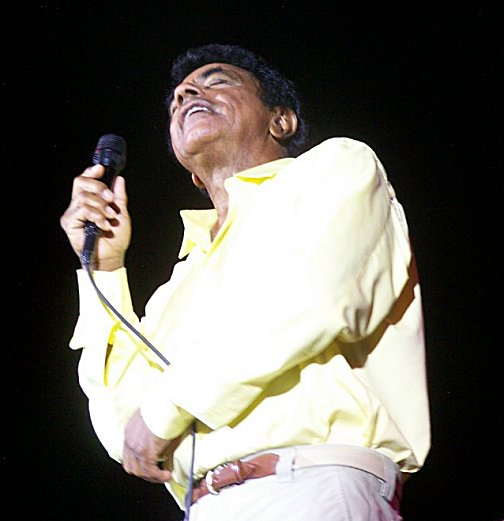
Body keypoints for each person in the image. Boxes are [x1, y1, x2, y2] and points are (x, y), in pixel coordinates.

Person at [60, 43, 430, 520]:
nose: (186, 94)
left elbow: (309, 303)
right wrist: (105, 269)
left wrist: (165, 409)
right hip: (205, 505)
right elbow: (124, 430)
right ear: (191, 173)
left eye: (216, 81)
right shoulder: (180, 282)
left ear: (281, 121)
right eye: (176, 100)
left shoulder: (336, 168)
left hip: (309, 485)